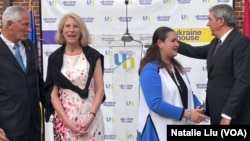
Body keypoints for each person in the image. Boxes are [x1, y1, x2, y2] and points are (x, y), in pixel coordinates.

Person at [178, 4, 250, 125]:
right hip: (217, 112)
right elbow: (194, 51)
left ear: (221, 21)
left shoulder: (241, 43)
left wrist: (227, 115)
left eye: (210, 19)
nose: (207, 24)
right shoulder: (216, 42)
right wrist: (172, 42)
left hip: (233, 117)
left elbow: (242, 81)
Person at [137, 26, 208, 141]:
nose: (177, 44)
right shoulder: (150, 69)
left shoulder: (178, 68)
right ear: (160, 43)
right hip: (159, 132)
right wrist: (188, 114)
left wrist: (199, 108)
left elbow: (188, 93)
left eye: (177, 41)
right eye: (173, 41)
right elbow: (155, 103)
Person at [43, 12, 105, 140]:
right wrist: (68, 122)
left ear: (81, 31)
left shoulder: (93, 56)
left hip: (91, 119)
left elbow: (100, 90)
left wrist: (90, 118)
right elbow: (53, 94)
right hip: (65, 122)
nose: (71, 30)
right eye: (67, 26)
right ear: (62, 31)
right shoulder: (54, 59)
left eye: (75, 26)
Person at [0, 6, 44, 141]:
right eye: (25, 24)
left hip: (33, 126)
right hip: (8, 130)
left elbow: (36, 81)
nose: (29, 29)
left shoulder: (29, 45)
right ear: (10, 24)